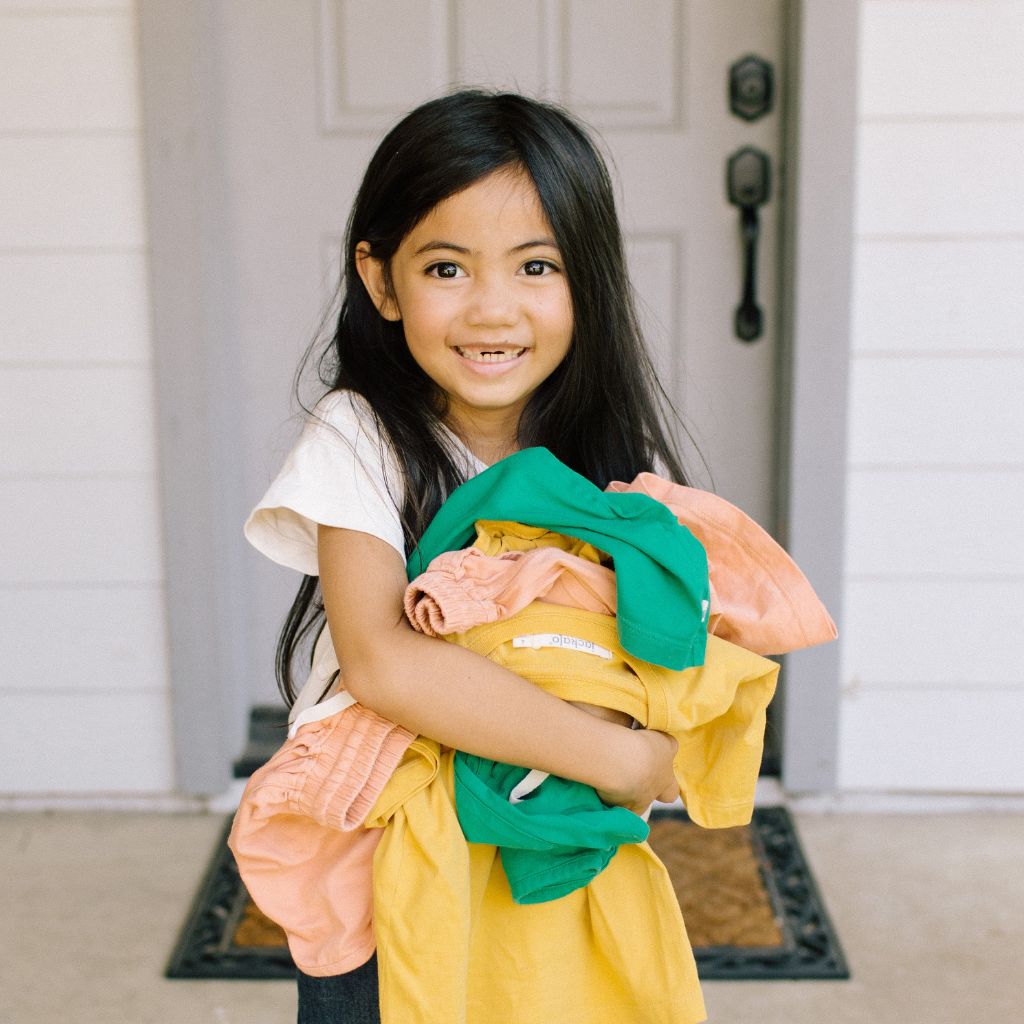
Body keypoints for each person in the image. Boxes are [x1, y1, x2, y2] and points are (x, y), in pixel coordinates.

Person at [245, 89, 703, 1024]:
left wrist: (660, 739)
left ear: (590, 280)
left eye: (537, 265)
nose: (493, 309)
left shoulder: (611, 465)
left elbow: (664, 644)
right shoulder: (360, 436)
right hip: (383, 864)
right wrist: (616, 759)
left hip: (542, 846)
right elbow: (382, 659)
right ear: (380, 281)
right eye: (447, 267)